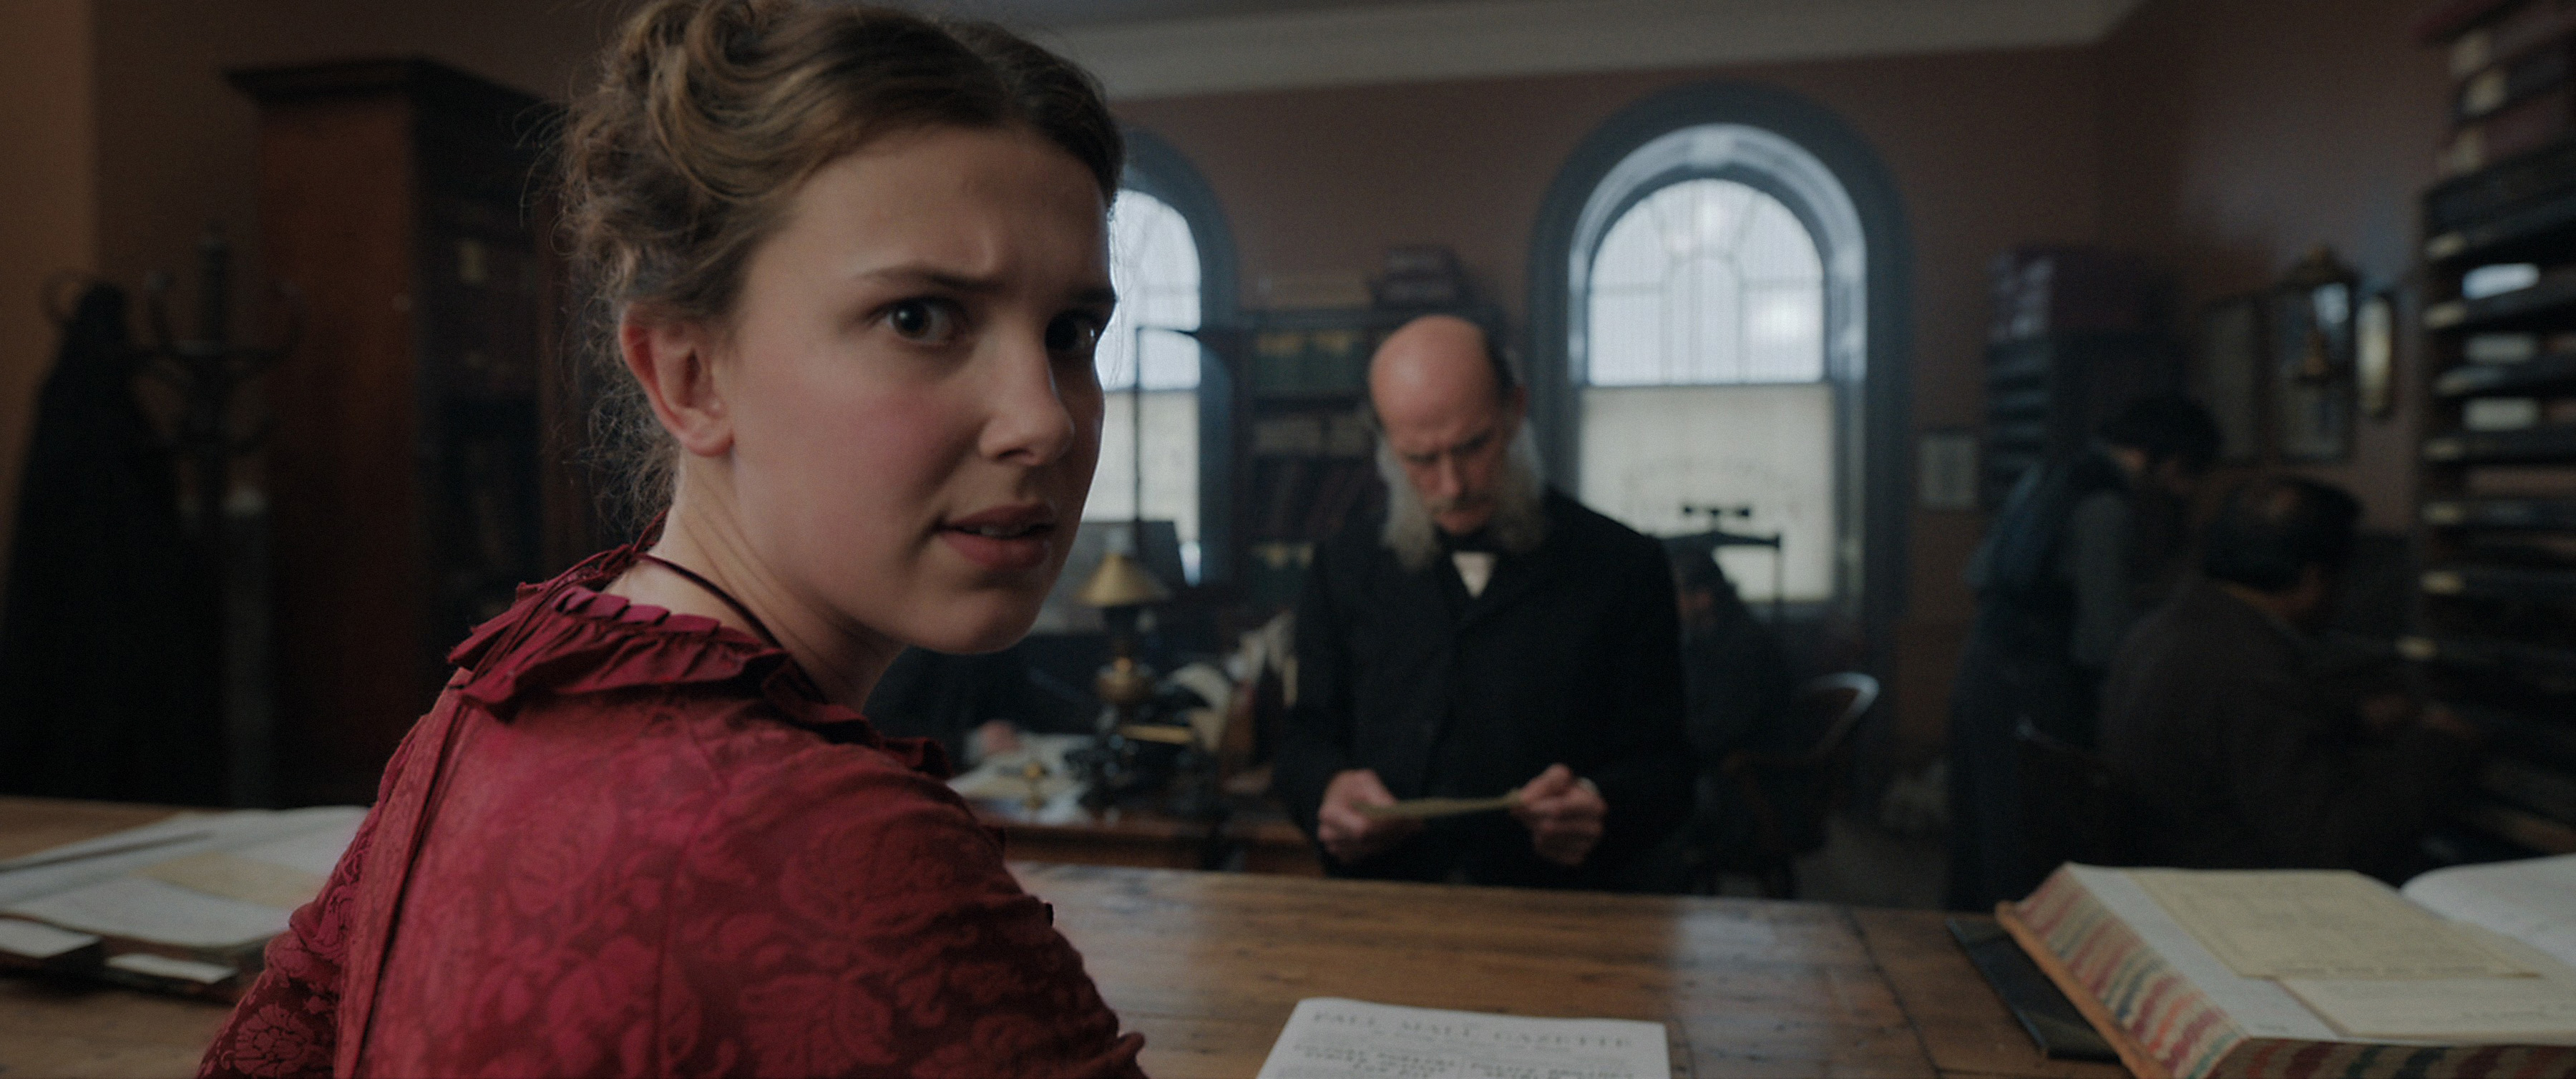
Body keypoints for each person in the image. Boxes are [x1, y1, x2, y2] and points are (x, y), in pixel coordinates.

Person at [198, 2, 1144, 1075]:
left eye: (1071, 331)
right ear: (689, 375)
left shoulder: (519, 675)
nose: (1043, 420)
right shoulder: (843, 853)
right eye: (920, 317)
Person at [1272, 314, 1692, 889]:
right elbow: (1304, 741)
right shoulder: (1342, 564)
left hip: (1563, 907)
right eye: (1420, 459)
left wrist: (1600, 803)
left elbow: (1667, 768)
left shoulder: (1623, 565)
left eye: (1473, 447)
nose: (1452, 485)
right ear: (1386, 444)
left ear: (1515, 410)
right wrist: (1329, 790)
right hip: (1388, 902)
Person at [2099, 477, 2481, 882]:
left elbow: (2231, 739)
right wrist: (2441, 748)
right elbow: (2335, 844)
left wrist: (2352, 719)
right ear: (2313, 582)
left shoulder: (2171, 625)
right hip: (2226, 891)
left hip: (2164, 869)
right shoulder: (2252, 666)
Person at [1946, 396, 2218, 912]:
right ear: (2169, 458)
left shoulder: (2048, 473)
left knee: (1982, 833)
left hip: (1982, 662)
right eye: (2188, 473)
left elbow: (1979, 571)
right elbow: (2102, 637)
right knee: (2026, 846)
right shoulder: (2106, 504)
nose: (2185, 490)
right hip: (2034, 685)